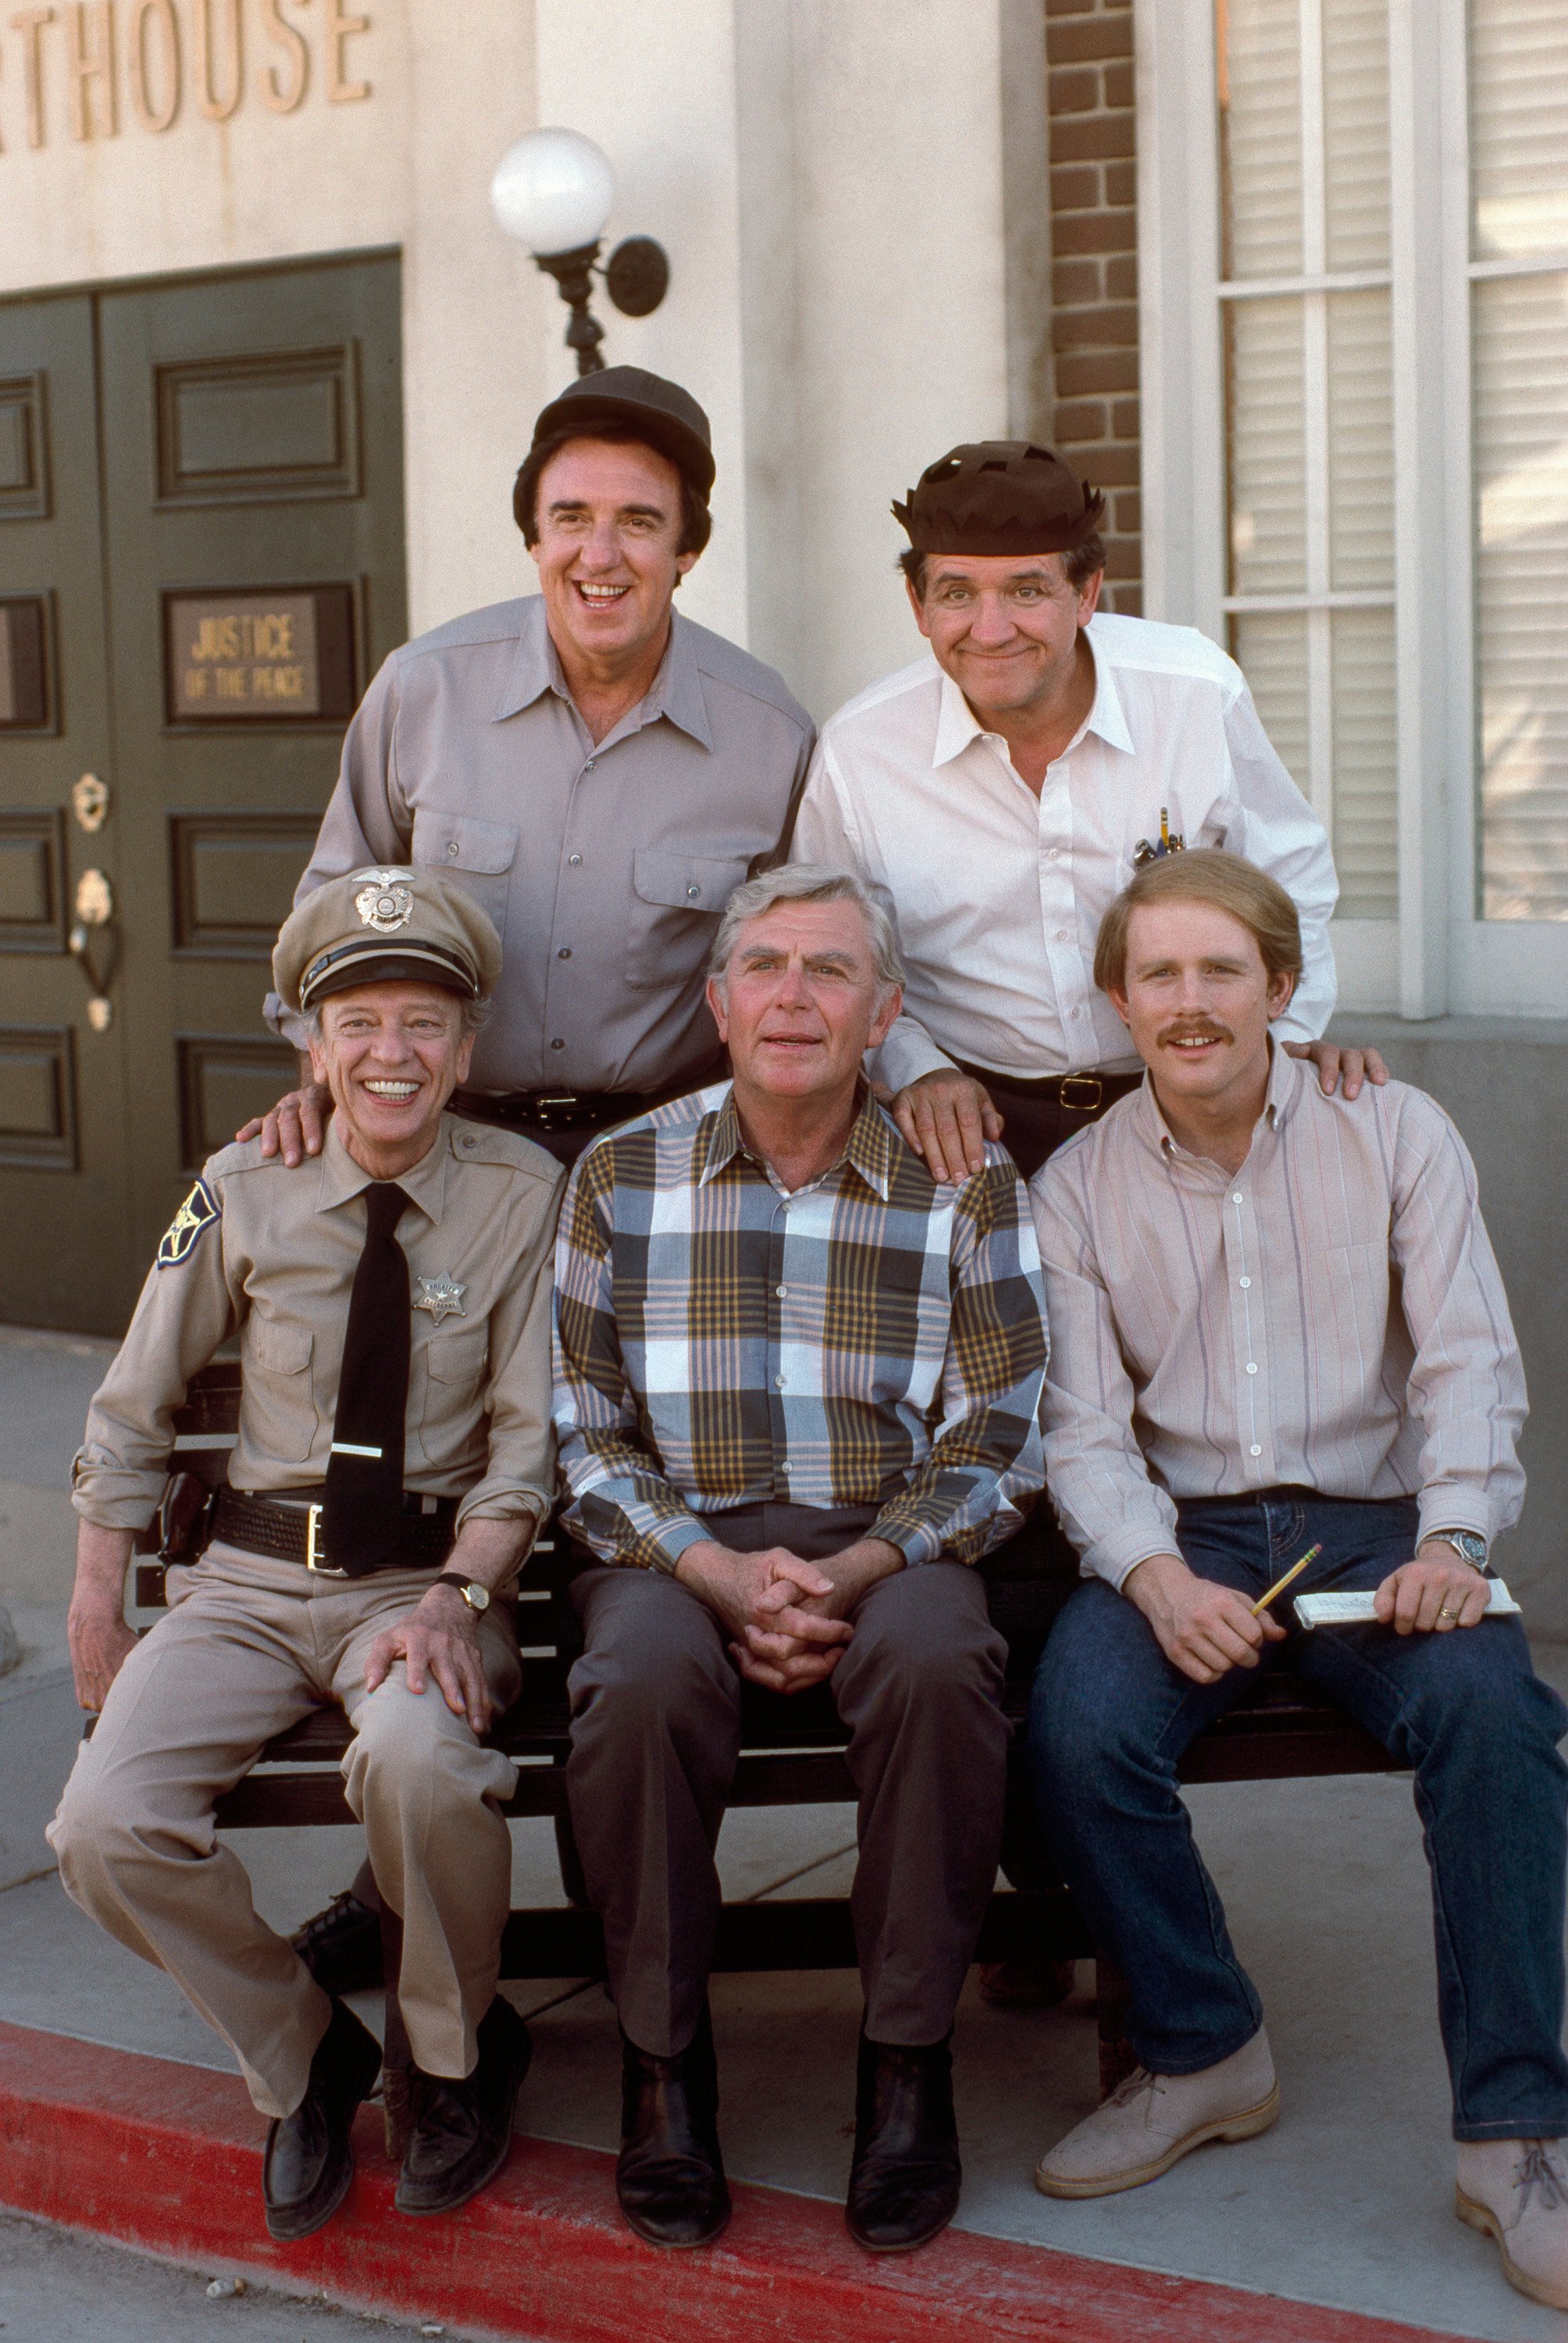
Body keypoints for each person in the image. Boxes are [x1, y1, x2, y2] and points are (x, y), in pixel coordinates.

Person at [248, 365, 816, 1989]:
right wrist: (322, 1087)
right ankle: (410, 1859)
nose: (601, 548)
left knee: (628, 1511)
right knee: (422, 1497)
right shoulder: (425, 693)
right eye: (571, 514)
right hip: (453, 1158)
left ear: (687, 547)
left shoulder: (768, 733)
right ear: (533, 531)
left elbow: (802, 966)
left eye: (639, 519)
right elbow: (321, 929)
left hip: (657, 1174)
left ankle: (636, 1895)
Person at [1024, 848, 1568, 2315]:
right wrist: (1147, 1576)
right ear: (1119, 1001)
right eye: (1157, 976)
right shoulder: (1073, 1187)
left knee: (1501, 1729)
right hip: (1191, 1534)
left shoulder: (1388, 1129)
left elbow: (1465, 1357)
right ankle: (1204, 2050)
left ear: (1278, 985)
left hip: (1378, 1528)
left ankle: (1513, 2137)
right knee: (1074, 1731)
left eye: (1219, 971)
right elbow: (1076, 1428)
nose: (1188, 1003)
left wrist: (1455, 1541)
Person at [50, 868, 564, 2241]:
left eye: (423, 1023)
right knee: (101, 1829)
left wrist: (462, 1600)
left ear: (466, 1047)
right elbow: (132, 1405)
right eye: (357, 1023)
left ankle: (453, 2059)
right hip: (248, 1588)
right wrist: (96, 1605)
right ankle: (304, 2055)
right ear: (309, 1043)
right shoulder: (241, 1186)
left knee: (417, 1760)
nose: (389, 1054)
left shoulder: (524, 1196)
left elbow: (525, 1452)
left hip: (422, 1588)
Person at [551, 864, 1047, 2253]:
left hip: (884, 1544)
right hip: (670, 1552)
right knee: (636, 1690)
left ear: (884, 1009)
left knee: (945, 1667)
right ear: (716, 1002)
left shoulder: (959, 1181)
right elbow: (580, 1430)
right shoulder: (621, 1173)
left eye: (829, 972)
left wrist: (857, 1571)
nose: (792, 996)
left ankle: (904, 2064)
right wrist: (709, 1572)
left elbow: (1001, 1427)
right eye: (763, 966)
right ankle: (663, 2068)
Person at [792, 439, 1387, 1186]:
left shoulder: (1193, 693)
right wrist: (916, 1071)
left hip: (1187, 1101)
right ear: (918, 606)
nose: (991, 627)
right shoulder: (861, 750)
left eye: (1027, 591)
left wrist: (1280, 1049)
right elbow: (831, 954)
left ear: (1087, 592)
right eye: (956, 593)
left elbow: (1288, 881)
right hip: (966, 1127)